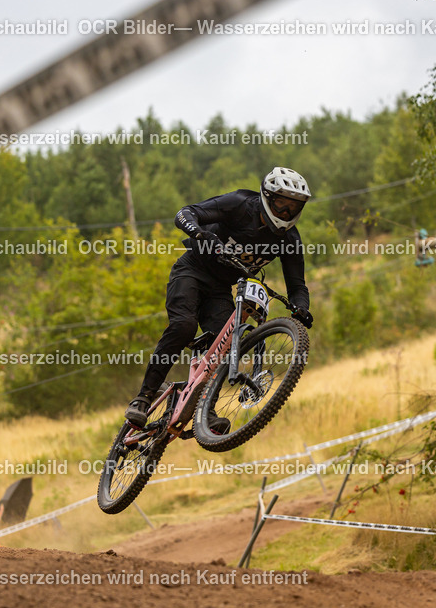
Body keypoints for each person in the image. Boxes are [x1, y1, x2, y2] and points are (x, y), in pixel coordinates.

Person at [124, 166, 314, 429]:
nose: (285, 213)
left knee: (225, 344)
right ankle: (143, 398)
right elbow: (185, 213)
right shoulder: (239, 204)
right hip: (192, 271)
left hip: (222, 289)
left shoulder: (289, 239)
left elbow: (297, 286)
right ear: (267, 197)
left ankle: (204, 409)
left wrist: (301, 308)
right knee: (183, 326)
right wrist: (201, 233)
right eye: (281, 204)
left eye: (292, 207)